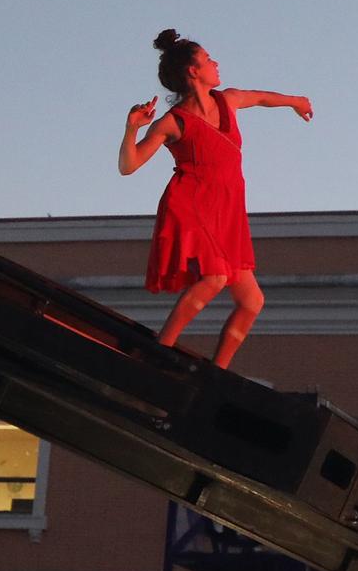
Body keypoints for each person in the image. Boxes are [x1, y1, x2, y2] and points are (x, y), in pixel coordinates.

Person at [117, 29, 313, 369]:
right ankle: (160, 351)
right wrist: (132, 128)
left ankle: (217, 372)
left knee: (252, 301)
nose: (215, 63)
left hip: (227, 212)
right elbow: (129, 165)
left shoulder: (229, 100)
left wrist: (296, 101)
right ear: (193, 71)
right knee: (216, 277)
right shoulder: (173, 122)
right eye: (208, 59)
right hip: (192, 205)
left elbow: (263, 98)